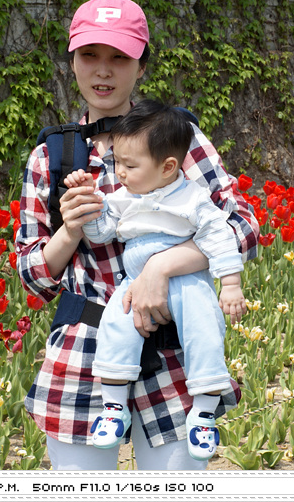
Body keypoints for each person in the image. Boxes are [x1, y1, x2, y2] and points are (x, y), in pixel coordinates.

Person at [15, 0, 258, 471]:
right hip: (87, 349)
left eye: (119, 58)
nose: (102, 71)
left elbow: (242, 227)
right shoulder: (51, 157)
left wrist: (161, 269)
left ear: (141, 65)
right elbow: (33, 276)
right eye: (90, 56)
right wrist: (71, 228)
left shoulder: (176, 138)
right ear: (72, 61)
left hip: (172, 345)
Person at [62, 100, 247, 461]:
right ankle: (113, 408)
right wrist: (89, 204)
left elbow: (220, 235)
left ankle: (204, 414)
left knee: (205, 331)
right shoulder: (121, 197)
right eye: (118, 164)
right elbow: (101, 234)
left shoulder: (192, 197)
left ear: (167, 167)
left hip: (189, 280)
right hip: (133, 281)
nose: (120, 173)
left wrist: (231, 284)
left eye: (130, 166)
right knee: (116, 325)